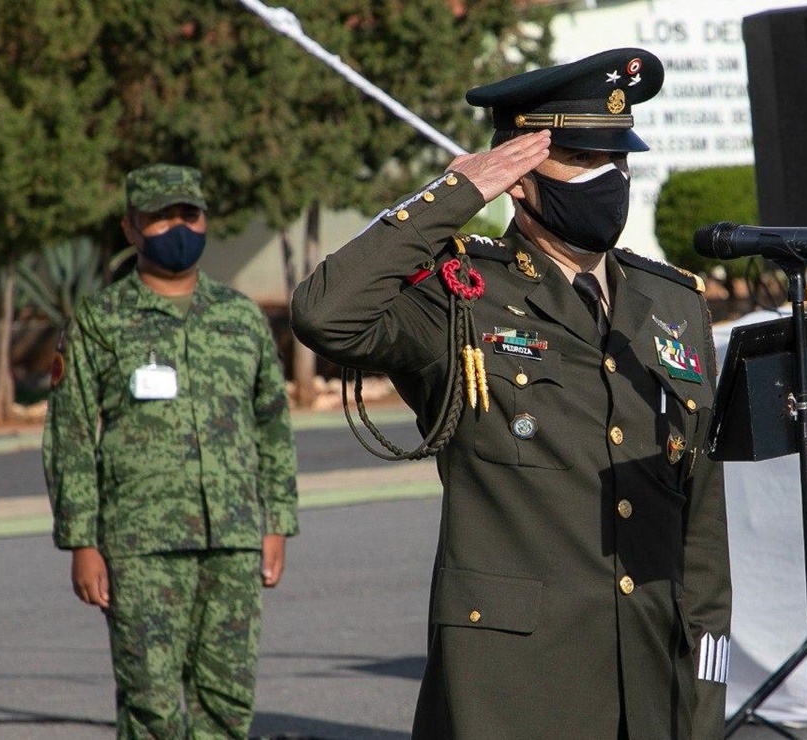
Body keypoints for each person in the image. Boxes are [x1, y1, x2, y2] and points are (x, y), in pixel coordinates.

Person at [292, 48, 731, 740]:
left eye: (618, 162)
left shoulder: (670, 302)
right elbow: (326, 313)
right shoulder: (461, 295)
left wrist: (704, 699)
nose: (609, 180)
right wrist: (456, 194)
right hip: (512, 692)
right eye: (583, 162)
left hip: (650, 683)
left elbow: (701, 525)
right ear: (519, 177)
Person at [43, 164, 299, 739]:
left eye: (188, 215)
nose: (177, 228)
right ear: (132, 229)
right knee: (151, 706)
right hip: (140, 545)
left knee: (227, 703)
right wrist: (81, 540)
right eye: (160, 217)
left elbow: (271, 425)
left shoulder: (239, 318)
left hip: (232, 541)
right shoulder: (100, 320)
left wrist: (277, 521)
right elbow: (73, 433)